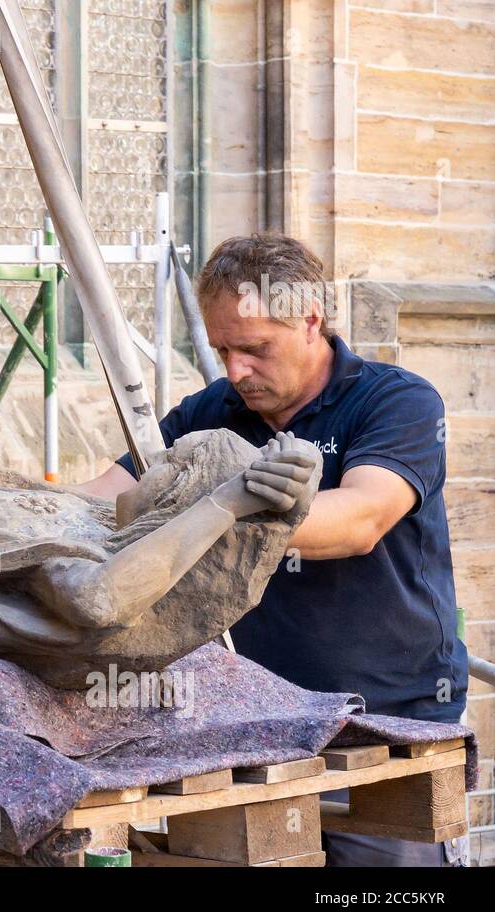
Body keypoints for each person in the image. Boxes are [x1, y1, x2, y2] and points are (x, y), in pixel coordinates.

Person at [75, 234, 468, 866]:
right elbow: (105, 500)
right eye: (222, 348)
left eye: (254, 349)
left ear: (310, 319)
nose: (234, 371)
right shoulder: (211, 412)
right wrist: (3, 509)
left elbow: (359, 520)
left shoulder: (397, 402)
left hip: (385, 718)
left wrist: (216, 510)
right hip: (249, 720)